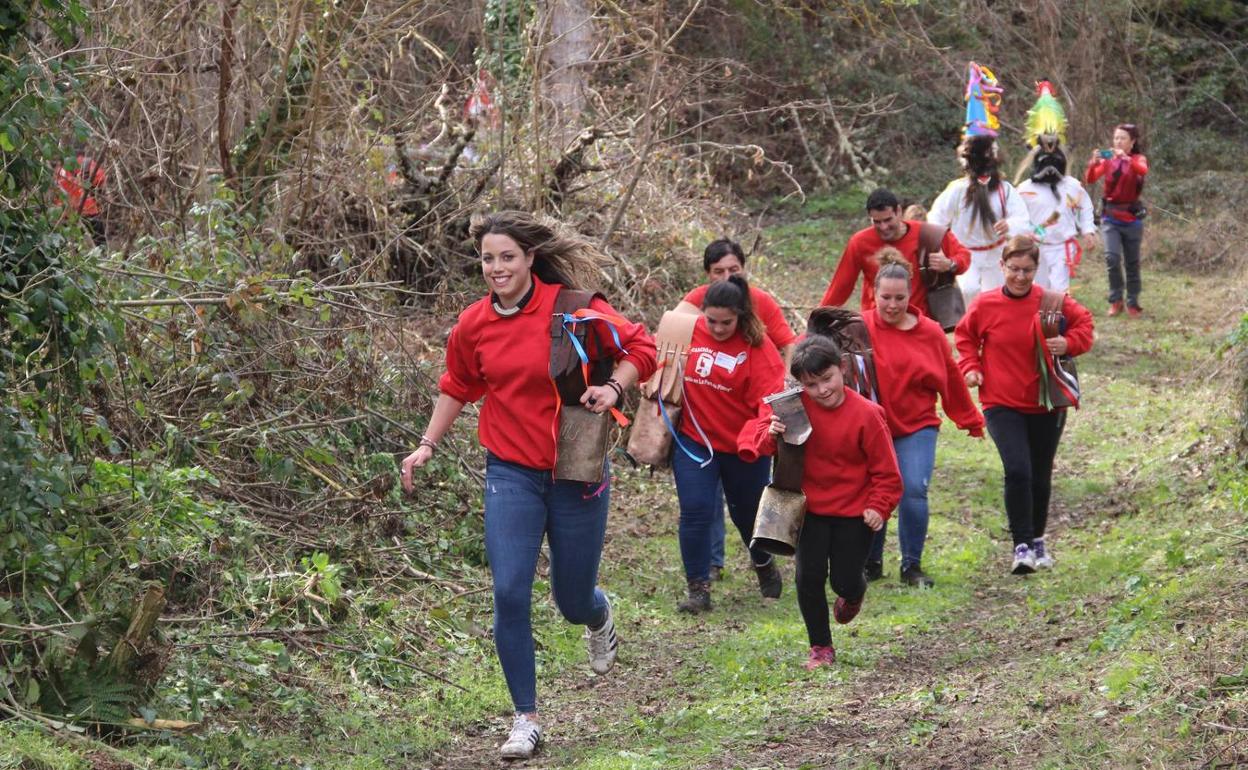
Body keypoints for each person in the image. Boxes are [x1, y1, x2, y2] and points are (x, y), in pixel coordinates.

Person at [399, 211, 657, 760]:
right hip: (511, 471)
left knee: (570, 598)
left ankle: (598, 613)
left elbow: (643, 349)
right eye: (488, 259)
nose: (496, 268)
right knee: (509, 590)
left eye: (507, 257)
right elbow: (458, 385)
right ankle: (525, 718)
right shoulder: (473, 324)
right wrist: (426, 444)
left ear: (530, 258)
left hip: (576, 470)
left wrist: (614, 387)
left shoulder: (575, 308)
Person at [740, 335, 902, 670]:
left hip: (855, 515)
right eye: (811, 385)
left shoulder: (868, 415)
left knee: (844, 579)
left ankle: (853, 593)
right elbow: (760, 444)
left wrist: (879, 505)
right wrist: (770, 432)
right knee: (808, 577)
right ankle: (820, 647)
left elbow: (887, 473)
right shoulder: (791, 407)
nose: (822, 390)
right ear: (801, 384)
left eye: (827, 378)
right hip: (808, 510)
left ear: (841, 368)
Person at [954, 235, 1093, 575]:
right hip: (1001, 402)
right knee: (1018, 470)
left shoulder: (1052, 302)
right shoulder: (985, 305)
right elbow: (965, 338)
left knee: (1040, 473)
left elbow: (1086, 325)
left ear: (1036, 269)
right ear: (1001, 266)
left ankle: (1039, 539)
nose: (1019, 277)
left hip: (1047, 402)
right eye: (1013, 269)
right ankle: (1021, 545)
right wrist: (970, 367)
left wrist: (1068, 342)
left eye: (1027, 270)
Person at [676, 238, 798, 581]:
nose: (716, 329)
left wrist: (762, 437)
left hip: (743, 445)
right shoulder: (691, 328)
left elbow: (771, 399)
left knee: (747, 514)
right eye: (711, 321)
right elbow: (661, 359)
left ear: (739, 317)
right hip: (695, 440)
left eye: (725, 324)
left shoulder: (757, 348)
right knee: (696, 511)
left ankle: (762, 564)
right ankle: (697, 587)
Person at [862, 250, 985, 587]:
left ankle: (911, 565)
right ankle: (870, 561)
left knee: (913, 488)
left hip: (917, 425)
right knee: (873, 490)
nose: (891, 305)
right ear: (873, 293)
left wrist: (969, 418)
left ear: (910, 294)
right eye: (885, 297)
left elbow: (950, 377)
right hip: (873, 427)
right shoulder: (859, 328)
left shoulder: (929, 332)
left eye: (899, 298)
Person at [820, 188, 970, 314]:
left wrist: (950, 264)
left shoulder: (928, 234)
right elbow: (840, 287)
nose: (883, 227)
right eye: (877, 222)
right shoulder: (860, 243)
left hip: (919, 322)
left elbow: (964, 256)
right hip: (877, 324)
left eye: (888, 220)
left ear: (898, 211)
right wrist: (819, 318)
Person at [928, 135, 1031, 301]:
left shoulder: (1005, 190)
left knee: (998, 295)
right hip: (965, 253)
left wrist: (1009, 225)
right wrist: (941, 248)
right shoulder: (957, 190)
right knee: (969, 290)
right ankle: (970, 323)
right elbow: (936, 218)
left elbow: (1022, 218)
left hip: (997, 253)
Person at [1085, 123, 1149, 317]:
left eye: (1122, 138)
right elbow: (1090, 179)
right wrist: (1093, 163)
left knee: (1132, 262)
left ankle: (1133, 302)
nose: (1118, 142)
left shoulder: (1138, 158)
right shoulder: (1108, 160)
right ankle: (1116, 300)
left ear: (1132, 142)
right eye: (1116, 138)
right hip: (1110, 217)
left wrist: (1126, 159)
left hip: (1131, 218)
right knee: (1112, 258)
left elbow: (1142, 170)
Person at [1017, 144, 1096, 293]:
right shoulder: (1024, 189)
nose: (1050, 167)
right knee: (1039, 288)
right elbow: (1015, 216)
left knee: (1059, 290)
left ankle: (1055, 316)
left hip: (1062, 247)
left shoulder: (1072, 186)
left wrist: (1088, 230)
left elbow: (1085, 207)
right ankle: (1042, 316)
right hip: (1035, 247)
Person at [54, 150, 106, 246]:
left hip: (65, 216)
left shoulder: (57, 171)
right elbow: (100, 178)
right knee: (99, 246)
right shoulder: (84, 162)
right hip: (88, 212)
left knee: (71, 249)